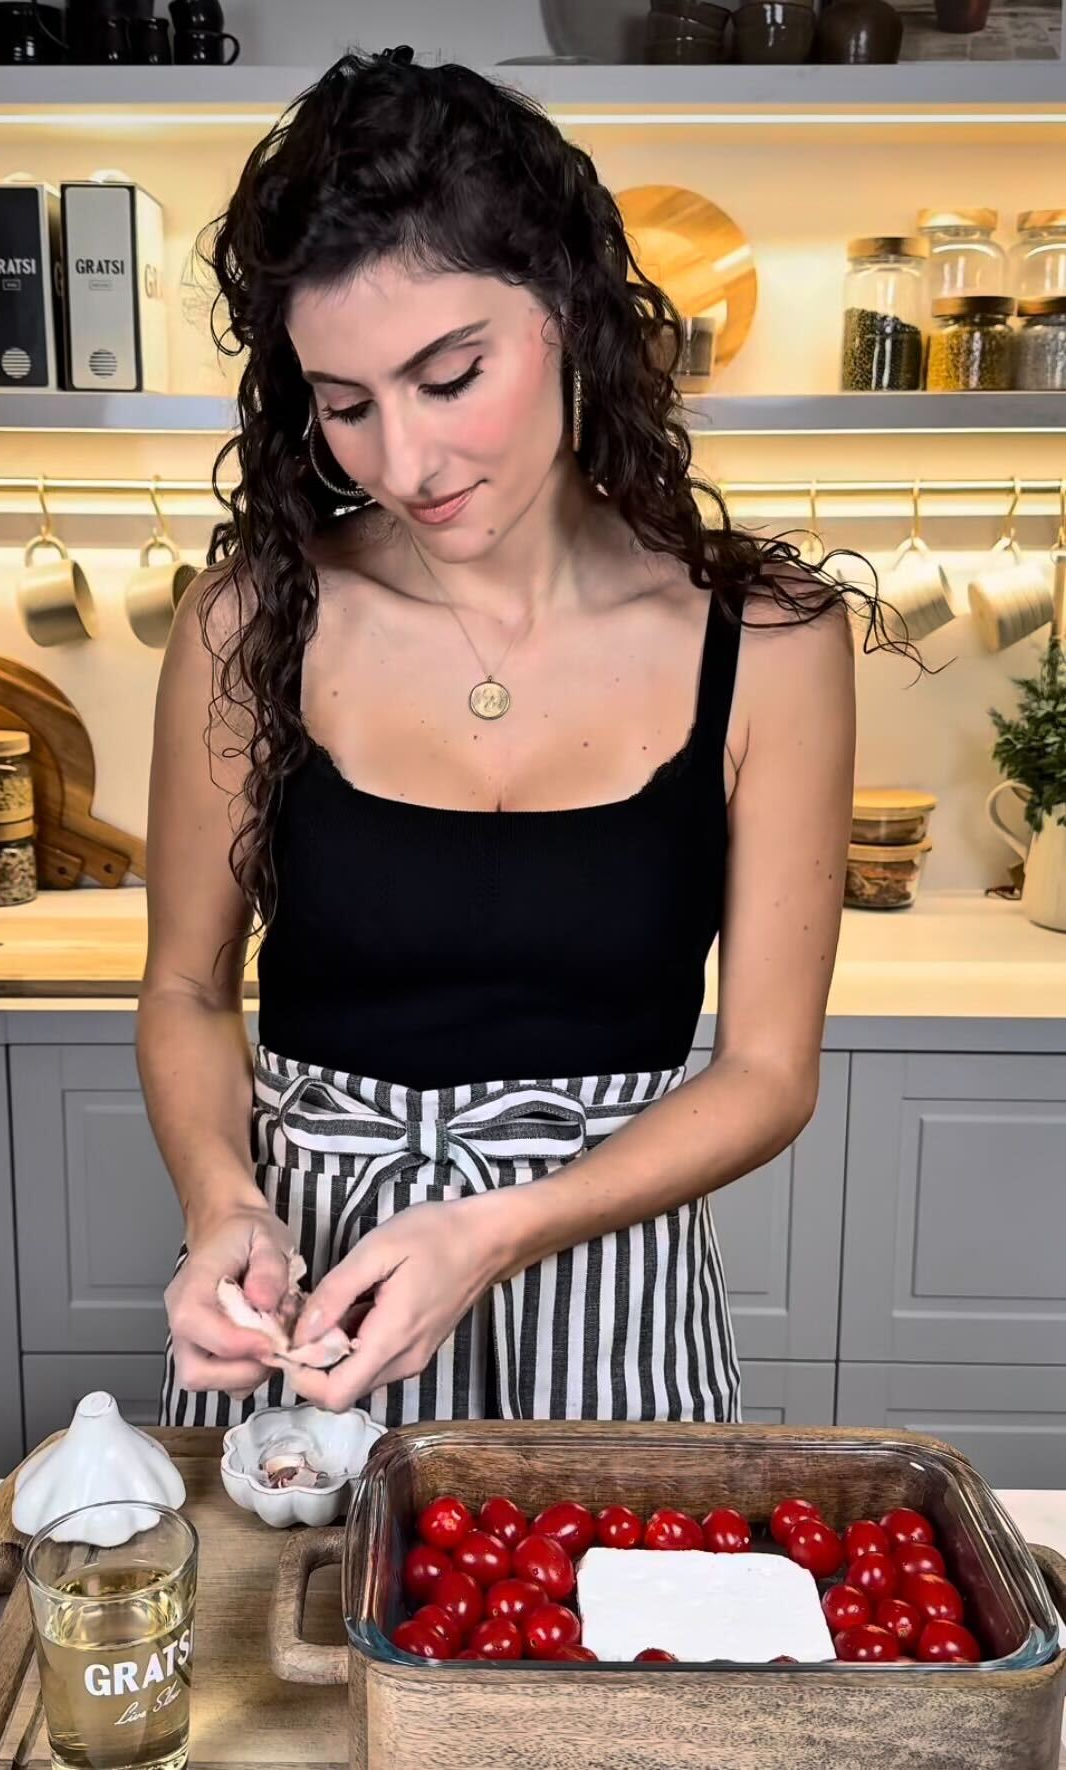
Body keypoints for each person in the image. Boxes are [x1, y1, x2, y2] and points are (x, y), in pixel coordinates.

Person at [137, 46, 920, 1432]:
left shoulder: (769, 639)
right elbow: (190, 991)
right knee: (288, 1648)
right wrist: (223, 1203)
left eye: (451, 375)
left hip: (611, 1283)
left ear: (569, 311)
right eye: (345, 404)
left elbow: (764, 1074)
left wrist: (498, 1227)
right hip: (312, 1298)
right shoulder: (248, 621)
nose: (404, 463)